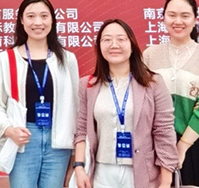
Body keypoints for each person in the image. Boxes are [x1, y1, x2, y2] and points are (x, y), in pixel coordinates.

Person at [73, 19, 178, 188]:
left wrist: (166, 181)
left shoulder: (153, 83)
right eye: (107, 39)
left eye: (121, 39)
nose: (114, 45)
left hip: (141, 172)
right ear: (99, 46)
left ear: (132, 45)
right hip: (101, 172)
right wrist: (79, 167)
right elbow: (81, 130)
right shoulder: (88, 85)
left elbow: (164, 131)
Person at [0, 0, 80, 188]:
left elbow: (76, 105)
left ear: (52, 20)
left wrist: (75, 154)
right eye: (31, 16)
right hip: (23, 139)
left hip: (58, 142)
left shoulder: (67, 59)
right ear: (21, 20)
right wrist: (9, 130)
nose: (38, 22)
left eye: (44, 16)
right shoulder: (7, 59)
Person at [143, 0, 199, 188]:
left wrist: (182, 146)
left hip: (196, 147)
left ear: (195, 19)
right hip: (157, 148)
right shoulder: (149, 55)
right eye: (172, 15)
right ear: (163, 18)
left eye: (185, 16)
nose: (178, 21)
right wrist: (167, 149)